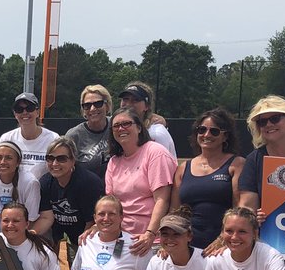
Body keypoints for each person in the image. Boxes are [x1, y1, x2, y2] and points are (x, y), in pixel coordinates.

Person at [104, 108, 175, 255]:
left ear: (139, 127)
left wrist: (150, 234)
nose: (121, 128)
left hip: (151, 241)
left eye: (126, 124)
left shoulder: (155, 152)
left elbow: (162, 200)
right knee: (113, 269)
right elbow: (111, 203)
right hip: (122, 239)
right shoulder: (114, 161)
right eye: (116, 126)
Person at [171, 107, 245, 249]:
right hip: (188, 247)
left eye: (214, 131)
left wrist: (223, 239)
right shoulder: (183, 168)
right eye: (202, 130)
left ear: (225, 136)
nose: (207, 134)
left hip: (224, 246)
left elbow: (240, 207)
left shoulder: (237, 165)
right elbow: (174, 212)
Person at [32, 135, 104, 265]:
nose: (55, 164)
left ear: (73, 160)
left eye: (61, 159)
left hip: (89, 238)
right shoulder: (45, 183)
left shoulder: (88, 183)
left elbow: (91, 222)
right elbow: (47, 218)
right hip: (61, 238)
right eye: (50, 158)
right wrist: (30, 235)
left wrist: (82, 251)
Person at [238, 95, 285, 211]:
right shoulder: (254, 160)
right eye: (262, 122)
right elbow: (247, 206)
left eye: (275, 118)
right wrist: (254, 217)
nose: (268, 124)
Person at [0, 92, 59, 178]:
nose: (25, 112)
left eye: (30, 108)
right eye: (19, 109)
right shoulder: (7, 139)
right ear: (15, 114)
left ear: (37, 112)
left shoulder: (53, 139)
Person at [116, 82, 177, 159]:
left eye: (135, 100)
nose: (128, 104)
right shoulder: (119, 130)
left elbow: (161, 165)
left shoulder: (155, 134)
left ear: (147, 106)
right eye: (125, 99)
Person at [65, 85, 114, 178]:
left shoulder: (116, 125)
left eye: (98, 104)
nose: (92, 108)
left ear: (107, 106)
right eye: (87, 106)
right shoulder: (73, 136)